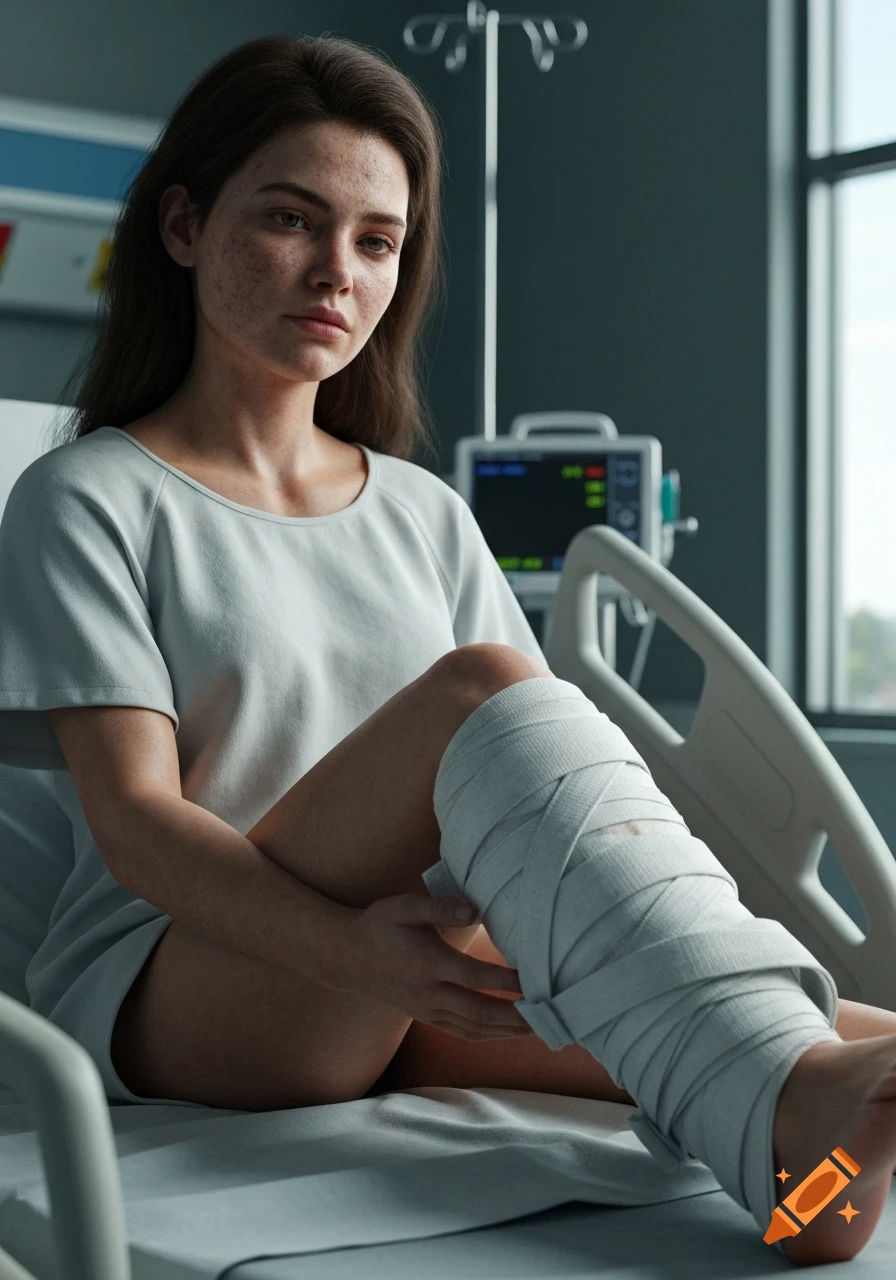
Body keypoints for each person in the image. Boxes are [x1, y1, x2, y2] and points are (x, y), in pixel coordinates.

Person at [1, 34, 895, 1270]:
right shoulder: (90, 496)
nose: (337, 269)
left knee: (823, 1039)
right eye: (290, 219)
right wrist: (352, 951)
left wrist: (433, 956)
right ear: (184, 226)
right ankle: (790, 1105)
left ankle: (809, 1176)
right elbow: (138, 826)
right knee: (484, 687)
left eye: (377, 240)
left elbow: (523, 806)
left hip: (397, 973)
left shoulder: (423, 513)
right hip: (188, 988)